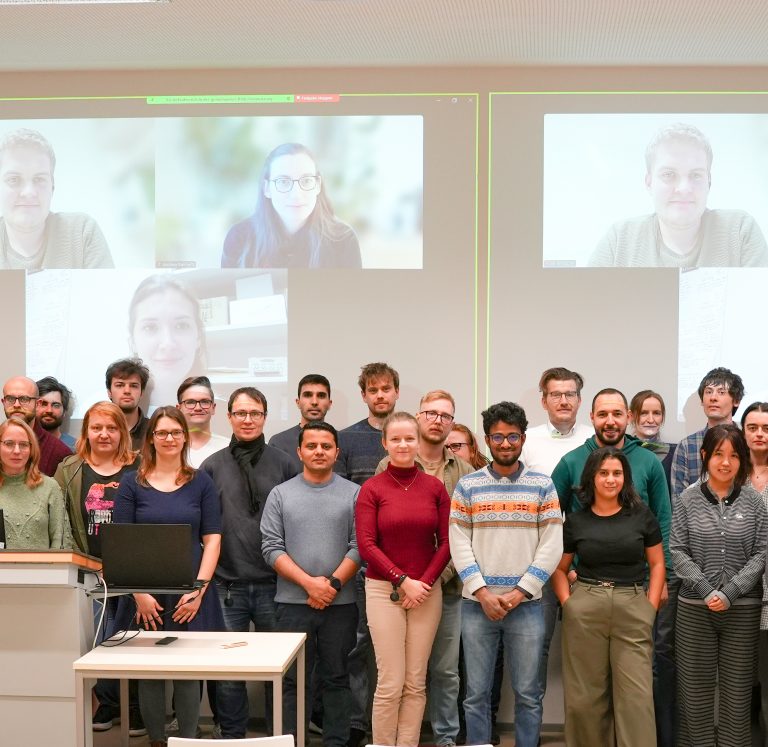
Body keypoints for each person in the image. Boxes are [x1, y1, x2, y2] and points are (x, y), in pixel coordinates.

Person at [449, 401, 563, 747]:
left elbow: (552, 545)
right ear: (487, 440)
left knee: (529, 694)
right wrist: (482, 592)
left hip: (526, 605)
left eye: (512, 436)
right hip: (477, 605)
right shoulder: (467, 487)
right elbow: (458, 543)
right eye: (498, 437)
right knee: (475, 695)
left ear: (523, 438)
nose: (505, 443)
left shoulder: (543, 486)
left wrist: (520, 592)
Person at [114, 406, 223, 747]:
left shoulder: (201, 481)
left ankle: (188, 740)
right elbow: (122, 542)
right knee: (150, 673)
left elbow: (213, 538)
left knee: (189, 672)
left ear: (184, 437)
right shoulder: (133, 482)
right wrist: (139, 594)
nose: (169, 439)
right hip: (144, 594)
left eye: (176, 432)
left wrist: (198, 591)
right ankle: (157, 740)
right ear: (151, 439)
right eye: (161, 433)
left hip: (191, 591)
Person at [200, 386, 300, 740]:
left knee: (282, 670)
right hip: (228, 586)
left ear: (264, 417)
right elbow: (205, 528)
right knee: (229, 673)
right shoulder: (211, 466)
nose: (247, 419)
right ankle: (232, 737)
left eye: (254, 413)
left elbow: (296, 520)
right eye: (240, 413)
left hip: (277, 585)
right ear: (228, 418)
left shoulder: (285, 463)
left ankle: (280, 736)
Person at [374, 391, 473, 747]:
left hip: (443, 587)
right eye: (430, 413)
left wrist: (428, 581)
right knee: (394, 676)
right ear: (418, 418)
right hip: (395, 586)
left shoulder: (464, 471)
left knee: (444, 671)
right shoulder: (386, 469)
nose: (437, 420)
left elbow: (462, 533)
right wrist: (406, 581)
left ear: (451, 423)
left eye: (445, 415)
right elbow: (379, 532)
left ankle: (444, 738)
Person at [552, 447, 664, 747]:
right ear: (591, 478)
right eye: (603, 473)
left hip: (632, 605)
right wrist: (568, 603)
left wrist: (649, 608)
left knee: (636, 699)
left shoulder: (642, 516)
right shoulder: (576, 521)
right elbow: (560, 569)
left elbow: (657, 564)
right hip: (586, 606)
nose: (610, 479)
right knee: (585, 698)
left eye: (617, 473)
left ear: (625, 478)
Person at [261, 421, 361, 747]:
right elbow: (271, 547)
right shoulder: (281, 493)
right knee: (293, 682)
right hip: (292, 604)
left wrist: (330, 585)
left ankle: (336, 742)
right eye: (312, 446)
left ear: (336, 452)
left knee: (336, 678)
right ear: (299, 451)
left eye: (326, 446)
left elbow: (359, 545)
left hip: (341, 605)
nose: (319, 451)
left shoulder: (354, 493)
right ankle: (292, 742)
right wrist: (309, 585)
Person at [356, 411, 450, 747]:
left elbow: (448, 541)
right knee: (390, 682)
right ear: (385, 443)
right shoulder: (372, 488)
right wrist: (402, 580)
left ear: (419, 441)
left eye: (409, 438)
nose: (403, 444)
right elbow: (366, 544)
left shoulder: (435, 487)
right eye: (395, 438)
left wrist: (421, 583)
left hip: (426, 590)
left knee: (415, 682)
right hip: (384, 590)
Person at [671, 423, 767, 747]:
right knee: (694, 696)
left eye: (734, 456)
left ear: (743, 460)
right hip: (694, 611)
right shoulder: (687, 499)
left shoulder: (755, 502)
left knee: (737, 696)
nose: (726, 462)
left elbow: (761, 553)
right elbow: (677, 551)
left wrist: (730, 592)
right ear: (704, 456)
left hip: (743, 612)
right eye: (718, 454)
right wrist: (705, 589)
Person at [53, 400, 144, 736]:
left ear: (123, 432)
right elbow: (60, 524)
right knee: (93, 644)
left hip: (132, 572)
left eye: (112, 428)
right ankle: (104, 704)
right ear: (86, 432)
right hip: (87, 573)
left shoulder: (139, 468)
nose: (104, 434)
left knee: (132, 642)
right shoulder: (69, 469)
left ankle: (132, 708)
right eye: (97, 428)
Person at [588, 122, 768, 268]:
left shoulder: (740, 232)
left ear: (709, 182)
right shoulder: (620, 241)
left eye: (696, 175)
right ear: (649, 183)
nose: (683, 188)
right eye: (669, 175)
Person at [519, 367, 593, 707]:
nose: (563, 400)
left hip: (587, 561)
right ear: (543, 400)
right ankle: (530, 730)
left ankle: (586, 730)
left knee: (586, 648)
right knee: (537, 645)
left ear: (579, 400)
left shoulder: (594, 441)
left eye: (570, 394)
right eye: (555, 394)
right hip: (538, 562)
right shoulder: (527, 440)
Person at [337, 361, 400, 747]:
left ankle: (396, 726)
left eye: (386, 388)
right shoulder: (347, 439)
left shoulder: (407, 434)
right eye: (373, 390)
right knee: (360, 646)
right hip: (363, 562)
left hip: (406, 563)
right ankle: (360, 724)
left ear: (396, 391)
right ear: (364, 395)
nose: (380, 395)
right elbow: (344, 501)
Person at [221, 142, 361, 269]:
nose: (296, 194)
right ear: (267, 189)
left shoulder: (343, 239)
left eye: (306, 181)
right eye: (283, 181)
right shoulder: (239, 238)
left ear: (317, 186)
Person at [0, 127, 113, 269]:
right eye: (14, 180)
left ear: (52, 188)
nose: (28, 192)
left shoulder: (82, 233)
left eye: (39, 179)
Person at [128, 274, 206, 411]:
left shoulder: (227, 412)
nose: (168, 343)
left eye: (181, 326)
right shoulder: (101, 414)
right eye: (150, 327)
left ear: (198, 337)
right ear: (132, 342)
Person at [671, 366, 744, 500]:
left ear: (736, 401)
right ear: (702, 400)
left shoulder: (746, 442)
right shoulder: (687, 446)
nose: (713, 398)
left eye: (721, 392)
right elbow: (678, 500)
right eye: (708, 392)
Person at [740, 402, 768, 744]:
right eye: (753, 427)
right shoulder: (728, 471)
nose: (760, 433)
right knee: (741, 683)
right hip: (737, 592)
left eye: (766, 427)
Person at [0, 416, 70, 549]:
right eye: (9, 444)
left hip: (44, 569)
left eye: (23, 444)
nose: (17, 451)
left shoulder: (49, 487)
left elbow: (61, 543)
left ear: (32, 450)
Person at [2, 375, 71, 476]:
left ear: (38, 403)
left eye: (24, 399)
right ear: (3, 402)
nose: (16, 405)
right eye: (10, 399)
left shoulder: (59, 452)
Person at [269, 374, 334, 471]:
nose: (314, 402)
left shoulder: (341, 441)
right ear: (298, 402)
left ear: (329, 403)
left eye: (321, 395)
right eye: (307, 395)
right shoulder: (279, 443)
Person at [177, 376, 228, 468]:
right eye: (190, 402)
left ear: (213, 408)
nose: (198, 408)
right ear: (179, 409)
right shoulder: (167, 447)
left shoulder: (228, 448)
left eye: (204, 402)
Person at [630, 389, 674, 490]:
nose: (650, 420)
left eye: (656, 413)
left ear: (662, 417)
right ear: (631, 416)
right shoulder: (622, 451)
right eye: (643, 413)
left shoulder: (675, 454)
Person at [105, 358, 151, 450]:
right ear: (109, 392)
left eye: (134, 386)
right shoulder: (98, 430)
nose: (127, 391)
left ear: (141, 392)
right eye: (120, 385)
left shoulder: (153, 430)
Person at [36, 375, 76, 449]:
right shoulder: (21, 445)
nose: (49, 410)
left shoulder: (76, 449)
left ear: (64, 411)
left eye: (56, 405)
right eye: (43, 404)